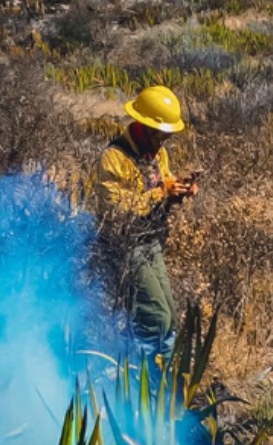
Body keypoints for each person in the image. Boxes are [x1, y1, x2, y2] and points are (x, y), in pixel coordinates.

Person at [93, 85, 198, 362]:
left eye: (168, 135)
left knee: (170, 317)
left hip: (150, 242)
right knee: (155, 318)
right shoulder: (114, 158)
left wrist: (179, 192)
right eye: (160, 134)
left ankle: (164, 376)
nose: (163, 141)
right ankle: (143, 383)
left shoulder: (157, 154)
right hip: (125, 245)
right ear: (143, 124)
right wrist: (162, 191)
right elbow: (116, 210)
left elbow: (163, 187)